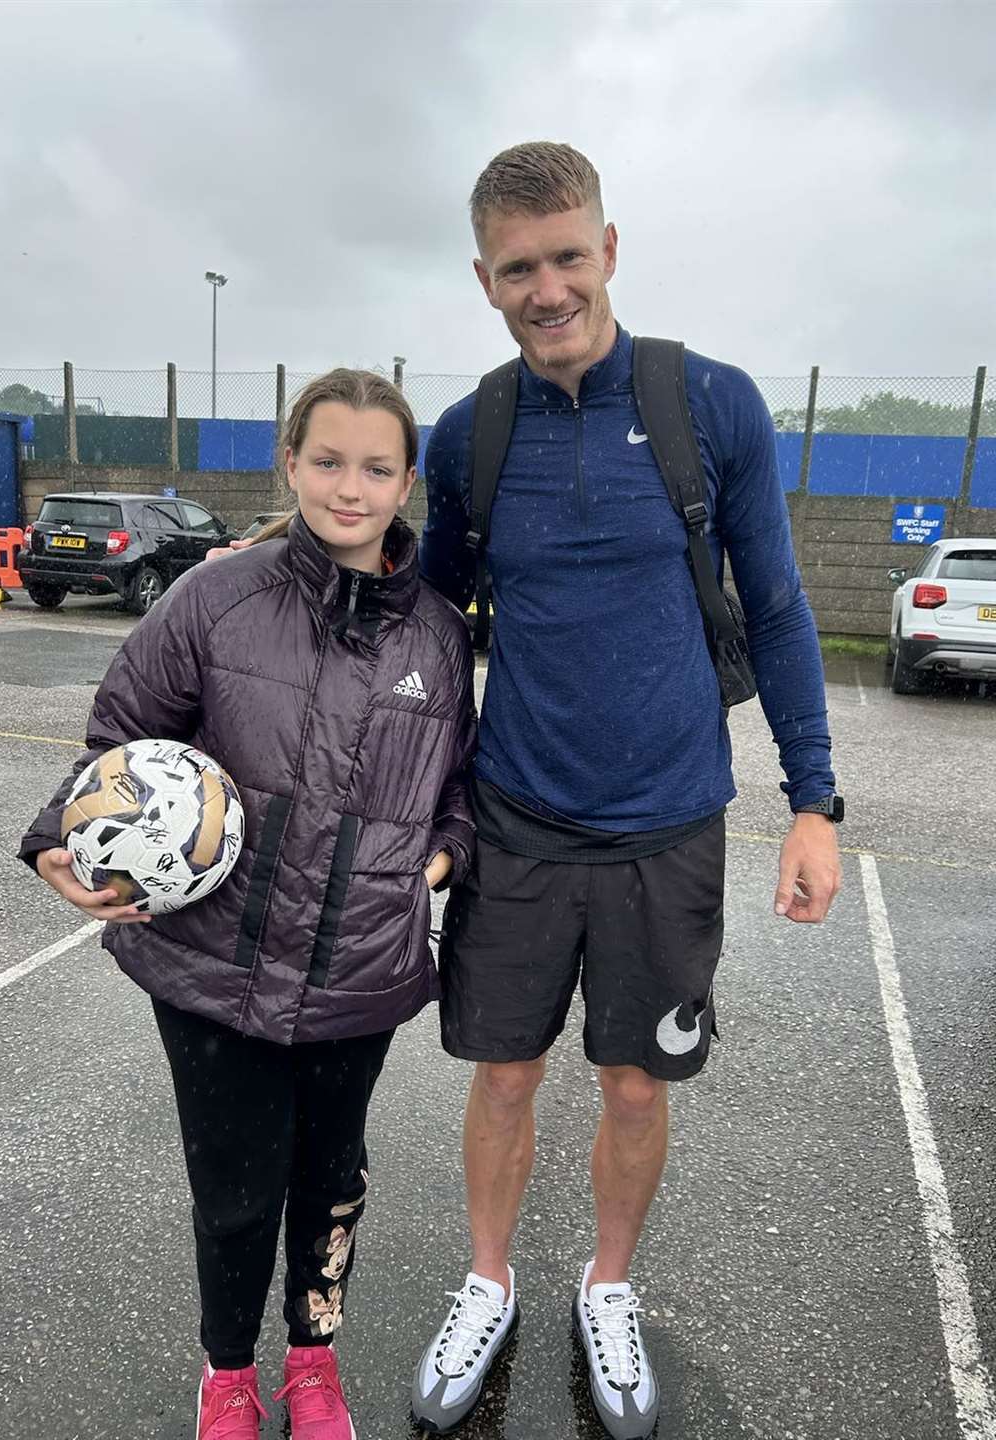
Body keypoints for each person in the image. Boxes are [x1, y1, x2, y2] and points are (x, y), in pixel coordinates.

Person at [404, 142, 843, 1439]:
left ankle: (608, 1286)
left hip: (669, 825)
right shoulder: (467, 434)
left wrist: (812, 798)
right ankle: (486, 1282)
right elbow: (426, 633)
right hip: (515, 824)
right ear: (484, 278)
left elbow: (776, 604)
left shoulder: (712, 404)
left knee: (636, 1087)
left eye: (568, 255)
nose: (548, 287)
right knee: (500, 1077)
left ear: (610, 247)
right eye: (518, 267)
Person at [18, 369, 476, 1440]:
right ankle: (228, 1377)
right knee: (232, 1193)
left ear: (407, 478)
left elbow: (461, 790)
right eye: (327, 462)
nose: (349, 489)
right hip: (211, 967)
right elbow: (121, 735)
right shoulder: (216, 597)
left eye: (375, 467)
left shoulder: (442, 638)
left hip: (362, 969)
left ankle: (313, 1368)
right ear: (290, 462)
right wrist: (56, 836)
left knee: (331, 1183)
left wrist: (435, 866)